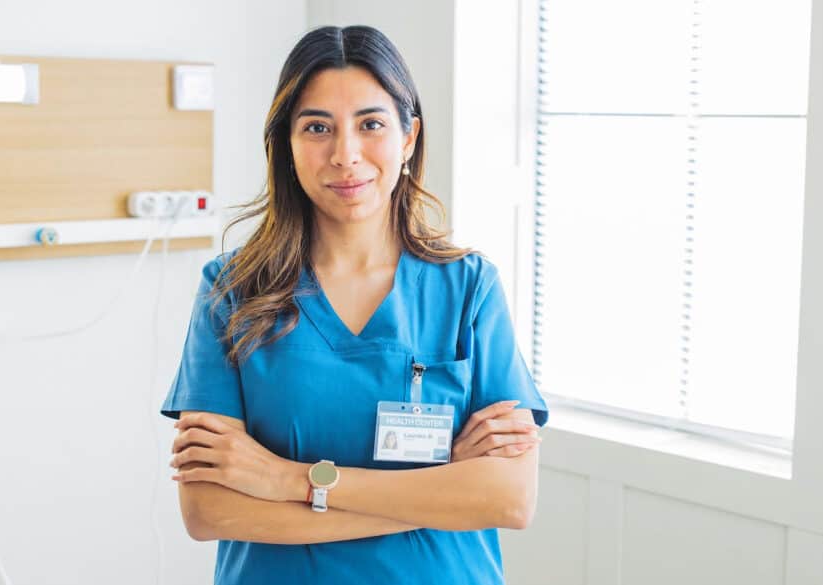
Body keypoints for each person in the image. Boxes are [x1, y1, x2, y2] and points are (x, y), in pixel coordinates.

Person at [160, 24, 549, 585]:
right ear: (285, 145)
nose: (346, 155)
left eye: (371, 124)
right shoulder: (232, 291)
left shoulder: (469, 289)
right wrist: (439, 489)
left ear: (408, 138)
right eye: (317, 127)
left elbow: (508, 499)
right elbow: (209, 511)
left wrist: (290, 481)